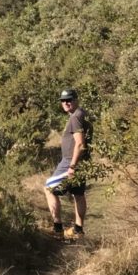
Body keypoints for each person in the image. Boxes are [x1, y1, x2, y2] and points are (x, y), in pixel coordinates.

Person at [44, 88, 91, 240]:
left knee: (49, 188)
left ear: (76, 99)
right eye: (63, 100)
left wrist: (72, 166)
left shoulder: (75, 117)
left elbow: (80, 143)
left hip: (71, 161)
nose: (66, 103)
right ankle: (78, 231)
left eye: (69, 99)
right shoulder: (82, 114)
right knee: (78, 193)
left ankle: (58, 229)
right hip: (83, 162)